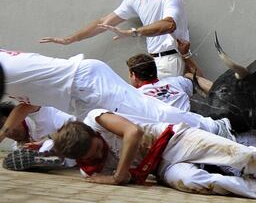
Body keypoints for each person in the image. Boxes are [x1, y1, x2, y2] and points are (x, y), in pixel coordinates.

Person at [0, 48, 234, 145]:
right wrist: (4, 133)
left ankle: (215, 127)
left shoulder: (6, 67)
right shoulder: (11, 73)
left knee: (148, 114)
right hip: (78, 99)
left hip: (86, 82)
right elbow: (27, 105)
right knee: (113, 140)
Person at [53, 109, 256, 199]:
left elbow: (133, 132)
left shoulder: (96, 119)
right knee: (193, 181)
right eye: (90, 158)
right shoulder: (89, 169)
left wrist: (118, 176)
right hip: (160, 168)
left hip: (172, 140)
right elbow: (98, 178)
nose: (97, 157)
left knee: (243, 156)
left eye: (97, 148)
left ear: (94, 134)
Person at [39, 0, 189, 78]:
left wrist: (132, 32)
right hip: (153, 62)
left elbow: (169, 24)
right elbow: (104, 23)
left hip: (169, 60)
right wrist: (69, 39)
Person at [0, 102, 76, 169]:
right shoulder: (18, 148)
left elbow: (75, 128)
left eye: (4, 126)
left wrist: (48, 139)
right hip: (74, 167)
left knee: (49, 143)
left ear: (14, 118)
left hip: (80, 144)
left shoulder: (40, 114)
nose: (8, 133)